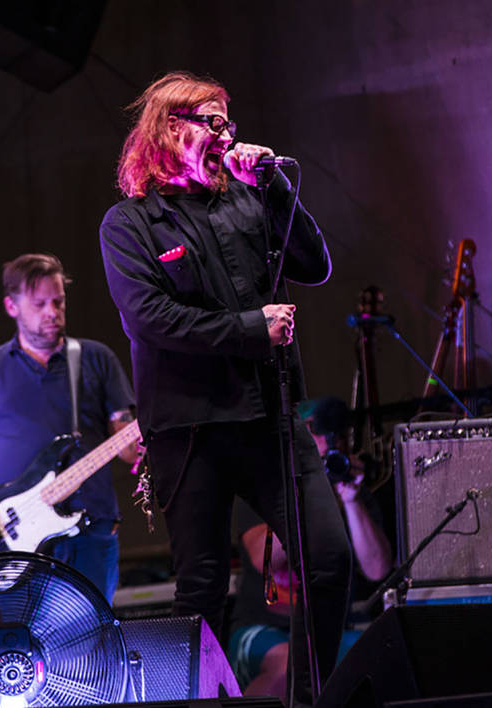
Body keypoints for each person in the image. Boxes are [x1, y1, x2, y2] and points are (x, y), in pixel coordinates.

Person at [98, 71, 352, 704]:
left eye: (227, 124)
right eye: (211, 123)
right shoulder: (130, 224)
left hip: (270, 418)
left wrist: (271, 184)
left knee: (328, 561)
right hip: (189, 430)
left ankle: (308, 700)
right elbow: (147, 319)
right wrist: (249, 328)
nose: (225, 135)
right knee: (202, 588)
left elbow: (315, 265)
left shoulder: (246, 197)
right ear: (169, 129)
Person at [0, 253, 137, 603]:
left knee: (91, 649)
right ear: (11, 306)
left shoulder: (95, 358)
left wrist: (141, 435)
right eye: (39, 303)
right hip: (17, 538)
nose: (52, 312)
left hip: (90, 534)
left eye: (58, 301)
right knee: (22, 647)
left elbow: (128, 450)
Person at [227, 397, 392, 697]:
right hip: (265, 628)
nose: (328, 442)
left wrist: (350, 500)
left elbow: (378, 568)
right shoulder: (265, 491)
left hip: (327, 631)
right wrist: (308, 492)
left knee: (387, 654)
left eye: (335, 434)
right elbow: (264, 559)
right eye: (317, 431)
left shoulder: (351, 494)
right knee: (288, 665)